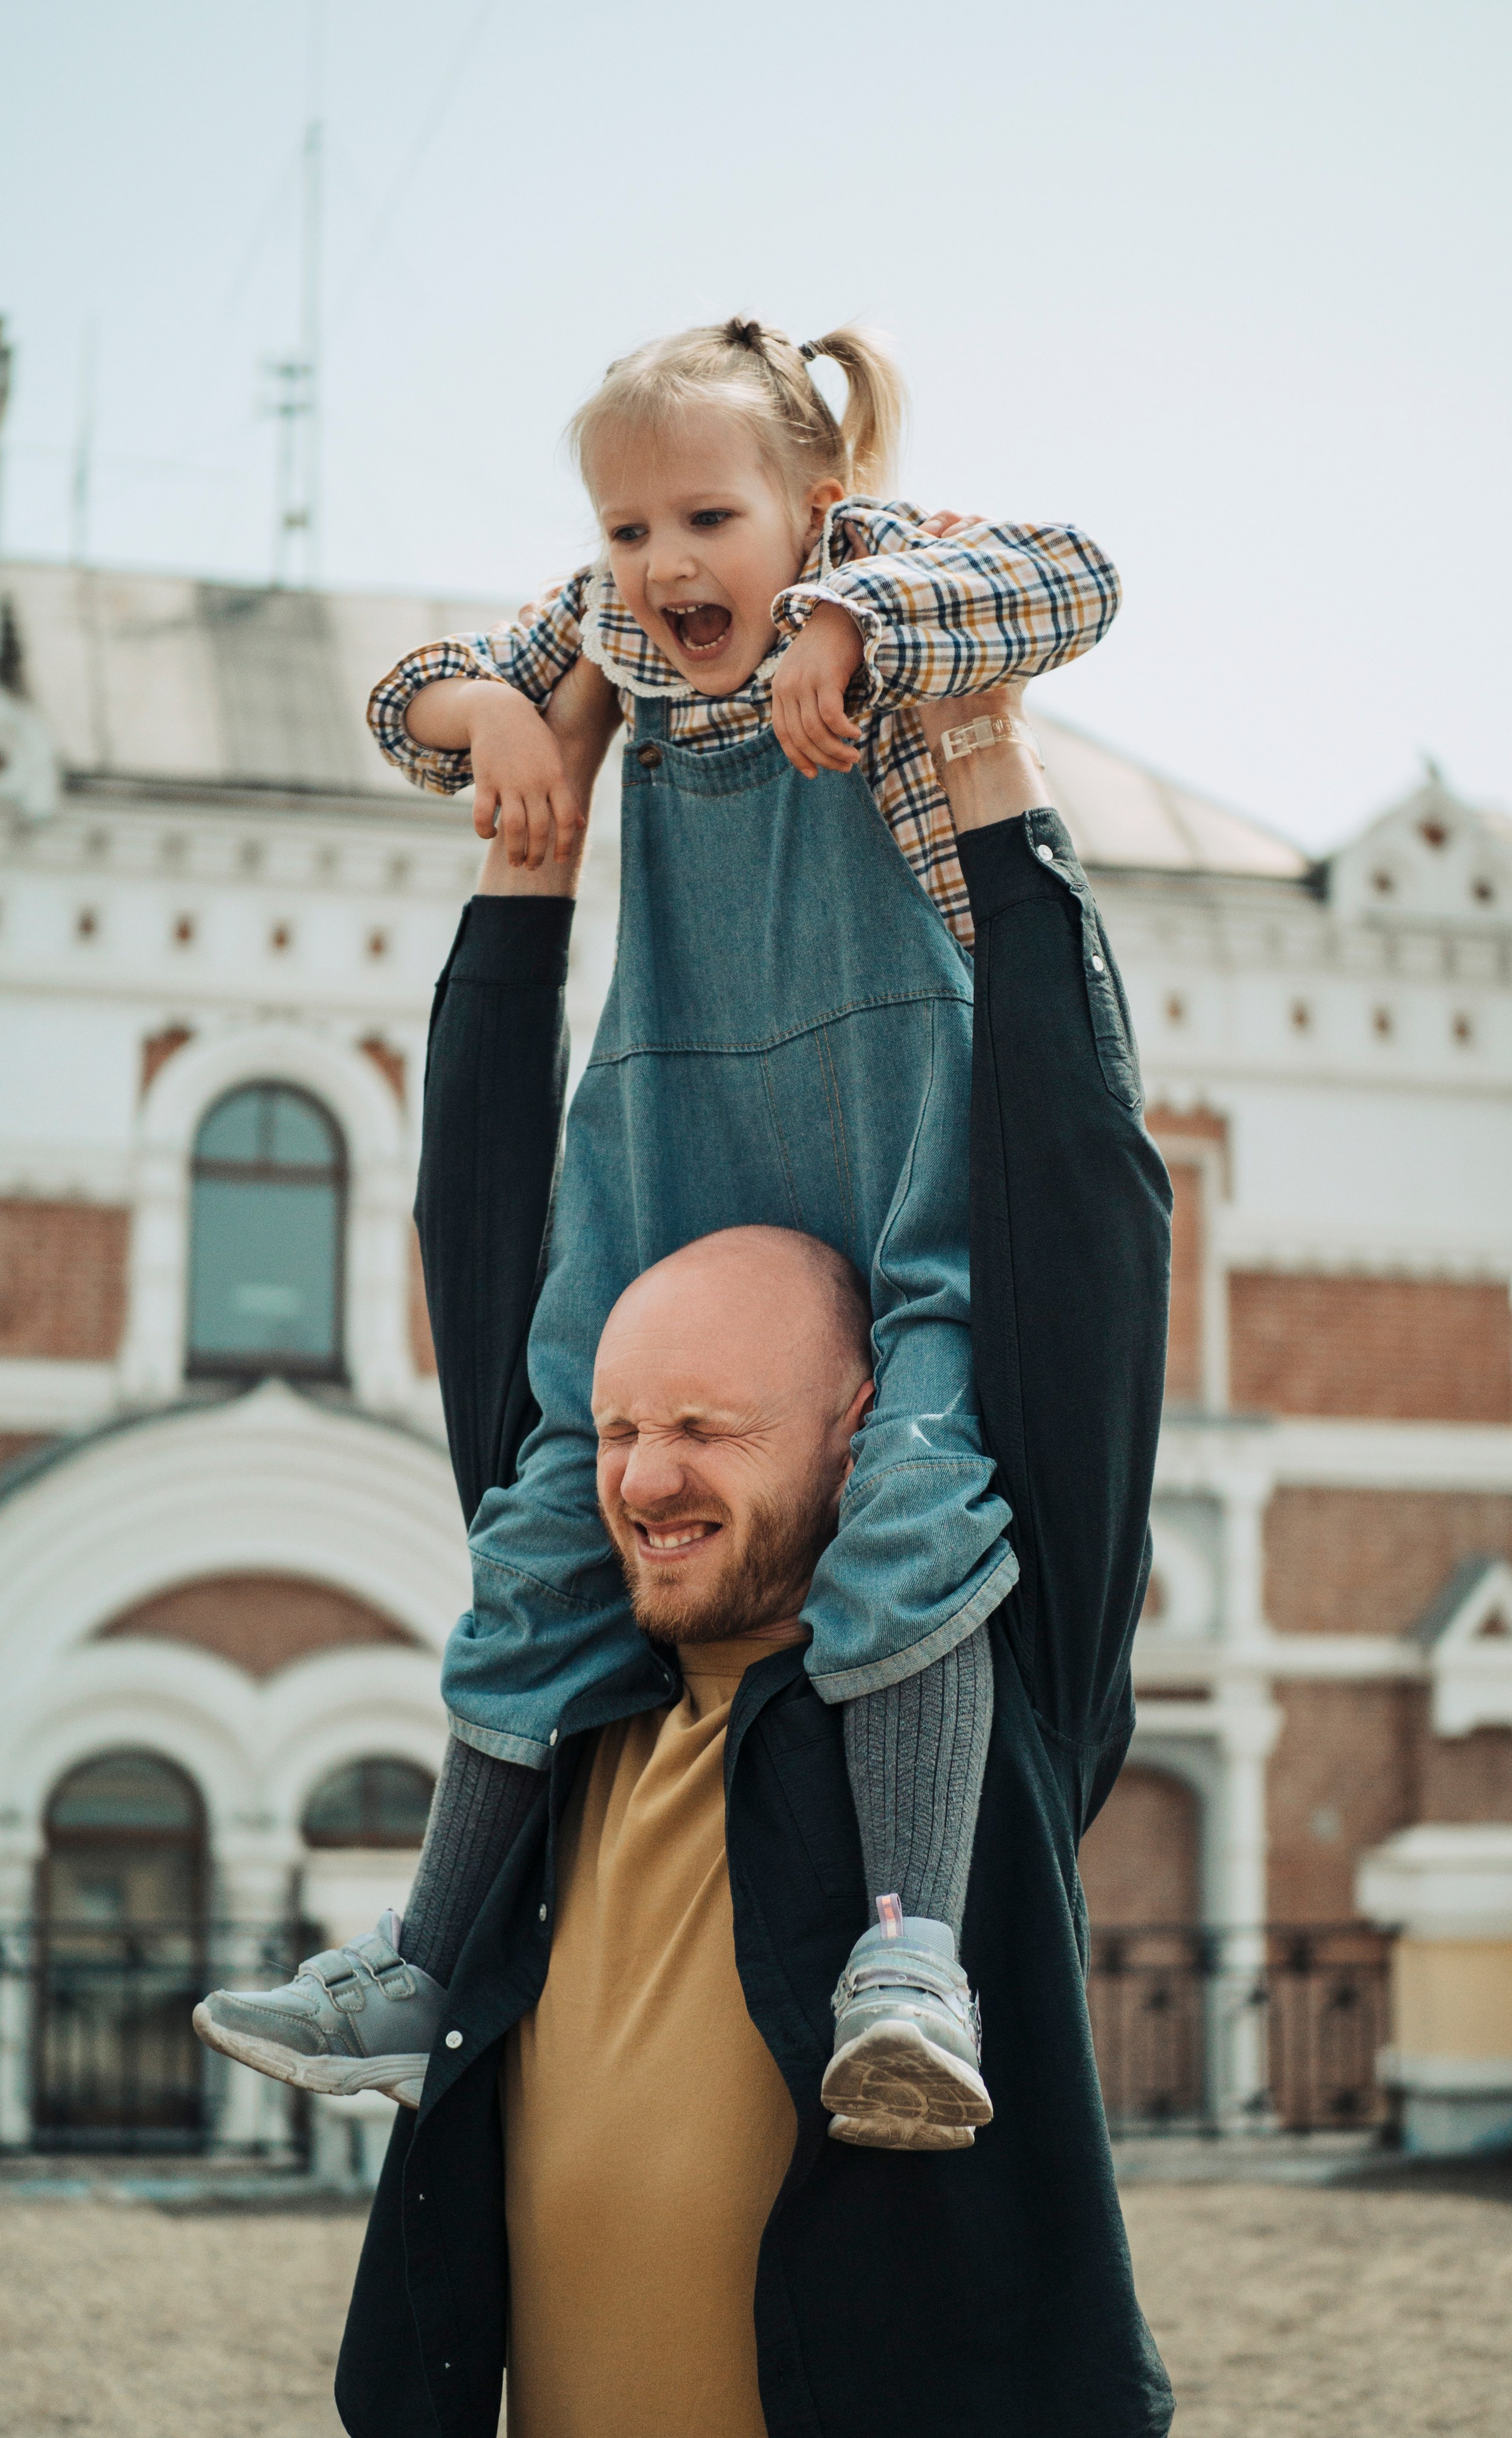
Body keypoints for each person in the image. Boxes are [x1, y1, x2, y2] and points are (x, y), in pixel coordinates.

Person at [196, 317, 1121, 2144]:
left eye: (703, 516)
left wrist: (865, 630)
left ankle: (907, 1958)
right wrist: (487, 719)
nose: (658, 567)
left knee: (917, 1470)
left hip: (899, 1110)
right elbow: (419, 690)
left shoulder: (878, 570)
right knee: (561, 1465)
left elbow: (1069, 575)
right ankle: (421, 1961)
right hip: (673, 1114)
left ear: (814, 500)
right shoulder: (610, 630)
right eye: (622, 529)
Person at [328, 669, 1174, 2438]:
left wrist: (991, 781)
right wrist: (530, 858)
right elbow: (480, 1217)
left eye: (708, 1432)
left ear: (862, 1425)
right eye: (626, 1428)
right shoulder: (578, 1674)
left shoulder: (984, 1663)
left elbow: (1081, 1198)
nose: (644, 1478)